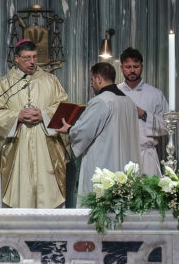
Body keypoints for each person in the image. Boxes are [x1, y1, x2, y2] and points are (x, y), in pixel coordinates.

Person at [0, 41, 69, 208]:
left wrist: (43, 115)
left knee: (48, 190)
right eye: (27, 58)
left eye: (34, 57)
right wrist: (17, 116)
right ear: (16, 58)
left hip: (46, 147)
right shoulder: (5, 84)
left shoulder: (50, 80)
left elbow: (63, 107)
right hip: (17, 147)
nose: (32, 62)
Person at [56, 62, 140, 199]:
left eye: (92, 80)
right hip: (126, 165)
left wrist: (69, 129)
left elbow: (84, 132)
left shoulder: (100, 101)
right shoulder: (129, 102)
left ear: (98, 78)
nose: (91, 84)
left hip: (104, 166)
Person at [116, 48, 169, 175]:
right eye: (128, 67)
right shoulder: (114, 93)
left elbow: (168, 126)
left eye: (136, 66)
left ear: (142, 67)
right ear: (122, 68)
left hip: (147, 155)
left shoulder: (155, 94)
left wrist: (144, 115)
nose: (132, 70)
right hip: (121, 153)